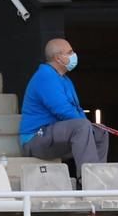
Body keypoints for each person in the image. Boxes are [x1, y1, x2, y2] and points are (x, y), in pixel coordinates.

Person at [19, 38, 108, 177]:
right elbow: (63, 110)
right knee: (82, 127)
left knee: (101, 132)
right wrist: (86, 126)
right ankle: (91, 181)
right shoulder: (45, 76)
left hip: (54, 136)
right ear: (58, 58)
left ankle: (99, 176)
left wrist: (92, 128)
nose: (74, 55)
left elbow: (76, 110)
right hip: (35, 138)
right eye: (70, 52)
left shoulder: (64, 79)